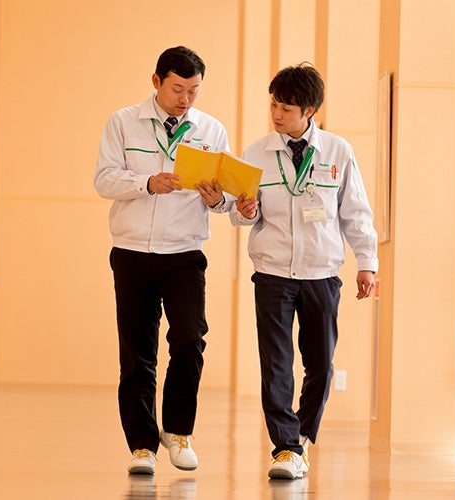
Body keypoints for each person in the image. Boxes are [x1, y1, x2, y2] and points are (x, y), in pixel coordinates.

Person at [230, 63, 379, 480]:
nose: (277, 115)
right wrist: (244, 210)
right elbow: (239, 215)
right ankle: (285, 448)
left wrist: (367, 263)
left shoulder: (338, 151)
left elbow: (355, 213)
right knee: (276, 363)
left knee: (321, 365)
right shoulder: (256, 153)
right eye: (273, 105)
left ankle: (302, 435)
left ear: (309, 110)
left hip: (321, 273)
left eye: (287, 108)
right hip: (272, 272)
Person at [94, 46, 231, 475]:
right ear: (156, 82)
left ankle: (178, 430)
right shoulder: (122, 122)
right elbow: (104, 180)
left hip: (184, 253)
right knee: (137, 353)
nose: (185, 99)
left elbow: (227, 199)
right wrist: (147, 182)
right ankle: (142, 446)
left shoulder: (211, 130)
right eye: (177, 89)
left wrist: (218, 199)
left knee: (190, 339)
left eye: (194, 90)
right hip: (132, 252)